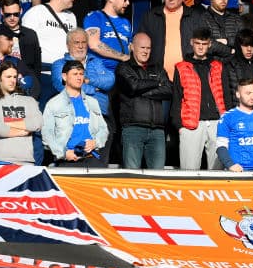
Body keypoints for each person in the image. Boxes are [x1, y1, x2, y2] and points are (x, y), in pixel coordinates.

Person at [171, 28, 226, 171]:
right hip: (190, 125)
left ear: (209, 45)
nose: (201, 47)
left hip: (217, 123)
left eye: (204, 43)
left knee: (218, 174)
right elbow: (176, 98)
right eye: (197, 43)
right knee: (189, 172)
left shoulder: (218, 66)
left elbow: (226, 95)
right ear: (191, 43)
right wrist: (179, 126)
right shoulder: (181, 67)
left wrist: (227, 122)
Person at [116, 32, 172, 170]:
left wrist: (142, 90)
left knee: (158, 177)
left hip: (157, 131)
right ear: (132, 47)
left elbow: (169, 90)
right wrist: (156, 83)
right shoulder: (124, 68)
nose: (146, 51)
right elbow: (132, 86)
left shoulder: (157, 68)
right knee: (132, 175)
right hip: (133, 128)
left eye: (148, 48)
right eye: (142, 48)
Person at [42, 59, 110, 167]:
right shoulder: (54, 104)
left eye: (81, 74)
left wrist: (95, 142)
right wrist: (63, 153)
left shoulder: (93, 102)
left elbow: (103, 129)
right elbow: (46, 135)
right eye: (75, 74)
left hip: (91, 158)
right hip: (66, 161)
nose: (79, 77)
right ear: (64, 76)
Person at [21, 0, 76, 99]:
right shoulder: (36, 13)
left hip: (65, 75)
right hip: (43, 75)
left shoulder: (71, 17)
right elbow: (24, 44)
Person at [0, 61, 42, 165]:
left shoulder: (29, 101)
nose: (12, 80)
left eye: (14, 77)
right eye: (8, 77)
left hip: (26, 160)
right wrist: (23, 130)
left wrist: (5, 122)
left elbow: (37, 124)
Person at [141, 0, 203, 81]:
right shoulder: (151, 16)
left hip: (188, 78)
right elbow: (141, 45)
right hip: (157, 79)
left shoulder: (195, 17)